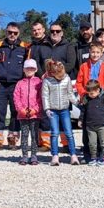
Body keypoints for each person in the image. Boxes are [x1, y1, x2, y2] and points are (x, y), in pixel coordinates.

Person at [32, 22, 76, 151]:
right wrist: (42, 75)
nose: (55, 33)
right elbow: (36, 62)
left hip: (62, 84)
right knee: (47, 113)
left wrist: (58, 74)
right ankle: (46, 143)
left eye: (57, 31)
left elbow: (71, 63)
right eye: (52, 31)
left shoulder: (68, 46)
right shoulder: (42, 46)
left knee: (64, 114)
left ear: (62, 32)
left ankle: (66, 144)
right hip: (47, 83)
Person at [0, 22, 29, 150]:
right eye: (10, 32)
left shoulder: (25, 47)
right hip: (0, 85)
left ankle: (13, 139)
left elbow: (27, 66)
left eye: (15, 33)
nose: (12, 35)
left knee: (16, 112)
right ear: (6, 32)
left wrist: (23, 83)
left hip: (16, 85)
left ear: (19, 33)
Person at [41, 60, 80, 166]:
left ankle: (73, 155)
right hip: (52, 110)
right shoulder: (47, 81)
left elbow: (70, 93)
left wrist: (77, 103)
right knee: (54, 133)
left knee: (69, 133)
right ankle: (55, 155)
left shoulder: (66, 78)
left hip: (64, 110)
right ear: (53, 73)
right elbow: (45, 96)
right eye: (59, 76)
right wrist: (47, 109)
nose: (61, 77)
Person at [79, 80, 104, 166]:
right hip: (90, 126)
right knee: (92, 143)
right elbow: (83, 111)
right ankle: (93, 158)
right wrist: (81, 120)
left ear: (98, 90)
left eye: (92, 93)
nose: (90, 95)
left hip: (102, 125)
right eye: (88, 93)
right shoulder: (86, 99)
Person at [13, 59, 42, 165]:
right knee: (24, 135)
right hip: (23, 114)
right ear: (24, 70)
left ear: (36, 69)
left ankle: (34, 155)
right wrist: (21, 109)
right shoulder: (20, 83)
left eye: (32, 68)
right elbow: (16, 97)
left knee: (34, 135)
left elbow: (41, 98)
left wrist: (35, 109)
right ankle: (24, 155)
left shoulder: (39, 82)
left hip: (35, 114)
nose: (29, 70)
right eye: (27, 68)